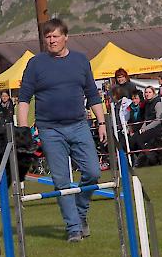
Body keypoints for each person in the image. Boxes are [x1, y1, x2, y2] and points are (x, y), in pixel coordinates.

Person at [18, 18, 106, 243]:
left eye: (55, 36)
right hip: (50, 130)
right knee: (61, 181)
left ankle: (81, 212)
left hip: (79, 125)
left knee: (93, 172)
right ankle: (73, 228)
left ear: (66, 37)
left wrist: (102, 122)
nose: (51, 40)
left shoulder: (80, 60)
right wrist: (23, 129)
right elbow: (24, 98)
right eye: (47, 37)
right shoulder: (36, 64)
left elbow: (92, 94)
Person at [131, 86, 162, 167]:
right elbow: (146, 119)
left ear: (153, 93)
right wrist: (142, 128)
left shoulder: (157, 102)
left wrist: (145, 128)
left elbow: (158, 120)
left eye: (149, 92)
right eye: (146, 92)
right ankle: (142, 159)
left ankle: (152, 159)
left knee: (140, 139)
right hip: (148, 127)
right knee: (133, 139)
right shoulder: (147, 104)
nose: (147, 94)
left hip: (157, 127)